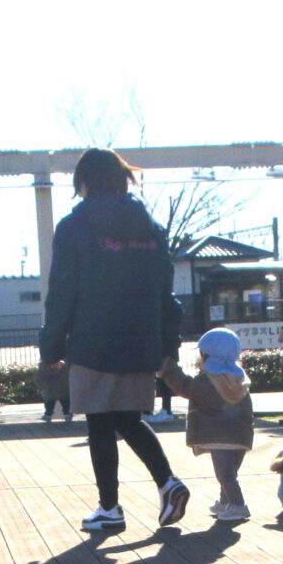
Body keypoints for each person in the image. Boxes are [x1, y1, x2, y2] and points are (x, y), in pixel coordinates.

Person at [39, 148, 191, 533]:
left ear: (84, 182)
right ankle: (168, 483)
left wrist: (51, 347)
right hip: (141, 343)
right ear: (123, 179)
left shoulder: (74, 227)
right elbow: (166, 294)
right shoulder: (152, 229)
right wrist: (166, 347)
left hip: (93, 341)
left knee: (100, 424)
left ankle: (109, 508)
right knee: (128, 418)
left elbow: (62, 292)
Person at [160, 326, 254, 521]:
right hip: (240, 436)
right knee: (229, 473)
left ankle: (238, 505)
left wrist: (168, 369)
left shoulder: (208, 380)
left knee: (224, 475)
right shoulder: (239, 378)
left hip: (219, 436)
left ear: (208, 356)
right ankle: (226, 502)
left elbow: (186, 387)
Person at [38, 360, 72, 424]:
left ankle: (48, 414)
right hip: (63, 388)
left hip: (50, 389)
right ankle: (67, 414)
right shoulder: (65, 367)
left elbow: (39, 378)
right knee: (65, 402)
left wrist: (41, 387)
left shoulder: (44, 367)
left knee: (49, 402)